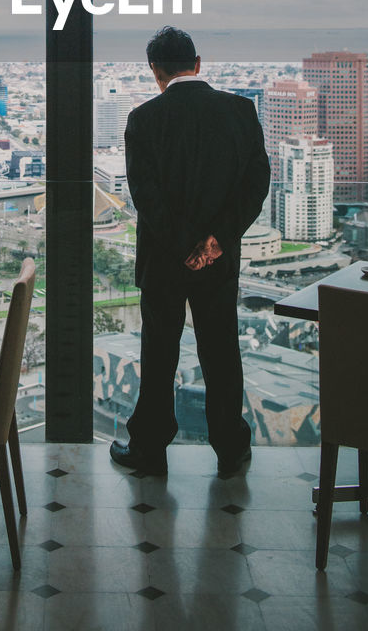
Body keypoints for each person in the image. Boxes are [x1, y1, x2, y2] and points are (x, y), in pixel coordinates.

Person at [109, 26, 270, 477]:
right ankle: (230, 447)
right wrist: (216, 241)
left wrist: (185, 247)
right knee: (220, 350)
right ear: (197, 64)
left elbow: (147, 196)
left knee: (160, 352)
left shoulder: (144, 119)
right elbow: (256, 183)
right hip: (220, 260)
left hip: (164, 259)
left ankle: (150, 449)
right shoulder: (240, 110)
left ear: (156, 71)